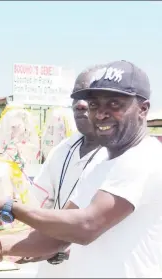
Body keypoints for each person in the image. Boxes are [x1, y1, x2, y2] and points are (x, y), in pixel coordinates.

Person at [0, 60, 162, 278]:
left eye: (114, 104)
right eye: (94, 105)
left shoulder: (145, 158)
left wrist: (7, 207)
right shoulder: (101, 164)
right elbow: (55, 238)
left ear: (143, 109)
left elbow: (85, 226)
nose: (100, 114)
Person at [21, 65, 108, 277]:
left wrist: (60, 245)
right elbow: (37, 203)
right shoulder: (62, 149)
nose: (80, 104)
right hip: (52, 270)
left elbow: (100, 223)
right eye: (76, 97)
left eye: (89, 97)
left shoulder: (120, 156)